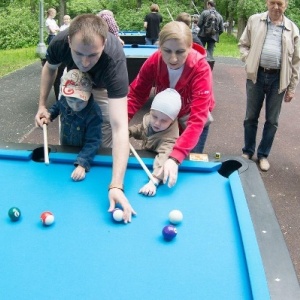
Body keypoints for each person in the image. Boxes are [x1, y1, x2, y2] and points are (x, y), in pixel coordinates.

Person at [35, 14, 136, 223]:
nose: (85, 62)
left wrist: (117, 185)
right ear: (69, 42)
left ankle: (96, 164)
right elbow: (50, 69)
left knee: (104, 132)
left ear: (104, 44)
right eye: (79, 53)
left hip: (102, 88)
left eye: (93, 55)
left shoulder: (115, 59)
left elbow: (120, 128)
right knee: (70, 119)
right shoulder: (60, 42)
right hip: (73, 82)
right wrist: (42, 105)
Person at [128, 21, 215, 188]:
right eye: (167, 51)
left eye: (180, 52)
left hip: (190, 119)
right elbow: (136, 95)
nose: (173, 59)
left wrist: (176, 157)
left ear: (190, 47)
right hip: (165, 117)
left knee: (185, 167)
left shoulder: (201, 68)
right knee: (160, 157)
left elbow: (197, 120)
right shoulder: (154, 61)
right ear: (159, 47)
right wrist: (121, 126)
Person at [238, 0, 300, 171]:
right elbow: (243, 44)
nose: (276, 7)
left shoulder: (292, 29)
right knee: (251, 117)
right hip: (256, 76)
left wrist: (292, 87)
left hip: (278, 80)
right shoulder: (254, 20)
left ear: (286, 5)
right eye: (273, 2)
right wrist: (248, 60)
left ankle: (263, 154)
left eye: (280, 3)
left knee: (272, 120)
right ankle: (248, 151)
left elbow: (296, 61)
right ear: (267, 3)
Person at [41, 69, 102, 181]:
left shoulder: (94, 113)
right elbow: (58, 106)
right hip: (66, 145)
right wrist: (49, 115)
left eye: (80, 102)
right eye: (71, 101)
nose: (75, 106)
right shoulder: (65, 99)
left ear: (88, 95)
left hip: (84, 151)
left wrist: (82, 164)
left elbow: (93, 142)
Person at [129, 88, 182, 196]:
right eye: (155, 116)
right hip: (146, 153)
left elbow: (164, 157)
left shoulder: (170, 139)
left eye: (164, 121)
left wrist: (154, 181)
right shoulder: (150, 119)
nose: (157, 123)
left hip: (156, 160)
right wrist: (128, 132)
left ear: (172, 121)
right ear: (150, 112)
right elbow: (141, 129)